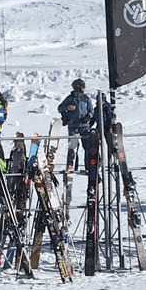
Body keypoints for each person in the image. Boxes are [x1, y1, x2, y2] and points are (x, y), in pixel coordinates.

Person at [57, 78, 94, 221]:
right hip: (73, 126)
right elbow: (60, 108)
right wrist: (68, 109)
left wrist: (88, 118)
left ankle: (87, 167)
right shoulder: (70, 98)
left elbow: (90, 110)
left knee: (87, 148)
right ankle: (72, 166)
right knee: (73, 148)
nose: (84, 88)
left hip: (84, 127)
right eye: (83, 86)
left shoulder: (86, 98)